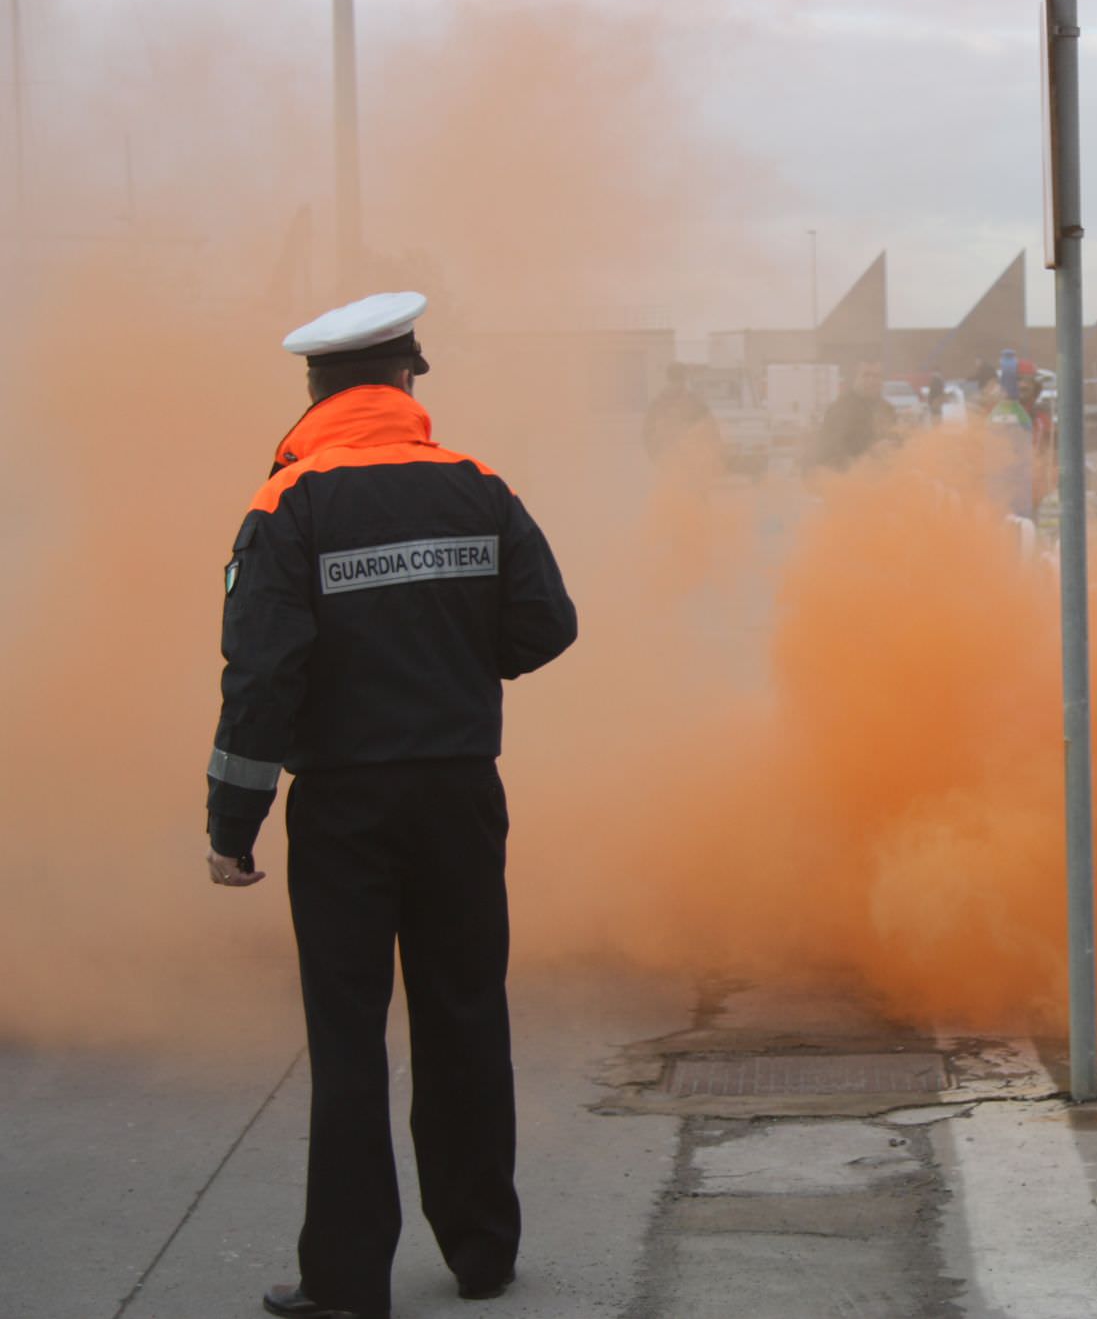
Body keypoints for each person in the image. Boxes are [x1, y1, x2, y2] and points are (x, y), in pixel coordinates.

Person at [205, 291, 577, 1319]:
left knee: (349, 1036)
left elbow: (262, 679)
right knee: (464, 1012)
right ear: (408, 375)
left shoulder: (290, 505)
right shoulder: (476, 485)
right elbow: (547, 624)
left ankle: (347, 1278)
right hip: (460, 790)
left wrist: (231, 828)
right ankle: (482, 1252)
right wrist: (458, 668)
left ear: (314, 389)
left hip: (343, 808)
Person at [812, 360, 896, 470]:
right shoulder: (841, 408)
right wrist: (870, 453)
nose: (872, 380)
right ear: (855, 379)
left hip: (882, 477)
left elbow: (895, 440)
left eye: (877, 376)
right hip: (850, 479)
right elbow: (830, 450)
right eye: (866, 375)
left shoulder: (887, 409)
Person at [642, 362, 720, 462]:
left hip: (666, 459)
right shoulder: (693, 401)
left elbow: (647, 431)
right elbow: (710, 427)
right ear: (684, 378)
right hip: (689, 460)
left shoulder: (658, 402)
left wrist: (654, 455)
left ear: (668, 378)